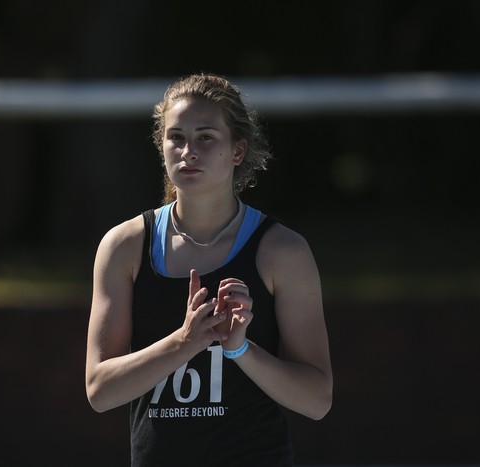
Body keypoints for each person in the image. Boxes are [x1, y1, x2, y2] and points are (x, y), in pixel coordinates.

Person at [85, 73, 332, 466]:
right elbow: (100, 391)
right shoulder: (125, 246)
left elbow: (317, 400)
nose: (188, 151)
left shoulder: (281, 250)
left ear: (238, 151)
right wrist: (183, 343)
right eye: (176, 137)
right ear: (160, 146)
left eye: (205, 137)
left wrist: (239, 349)